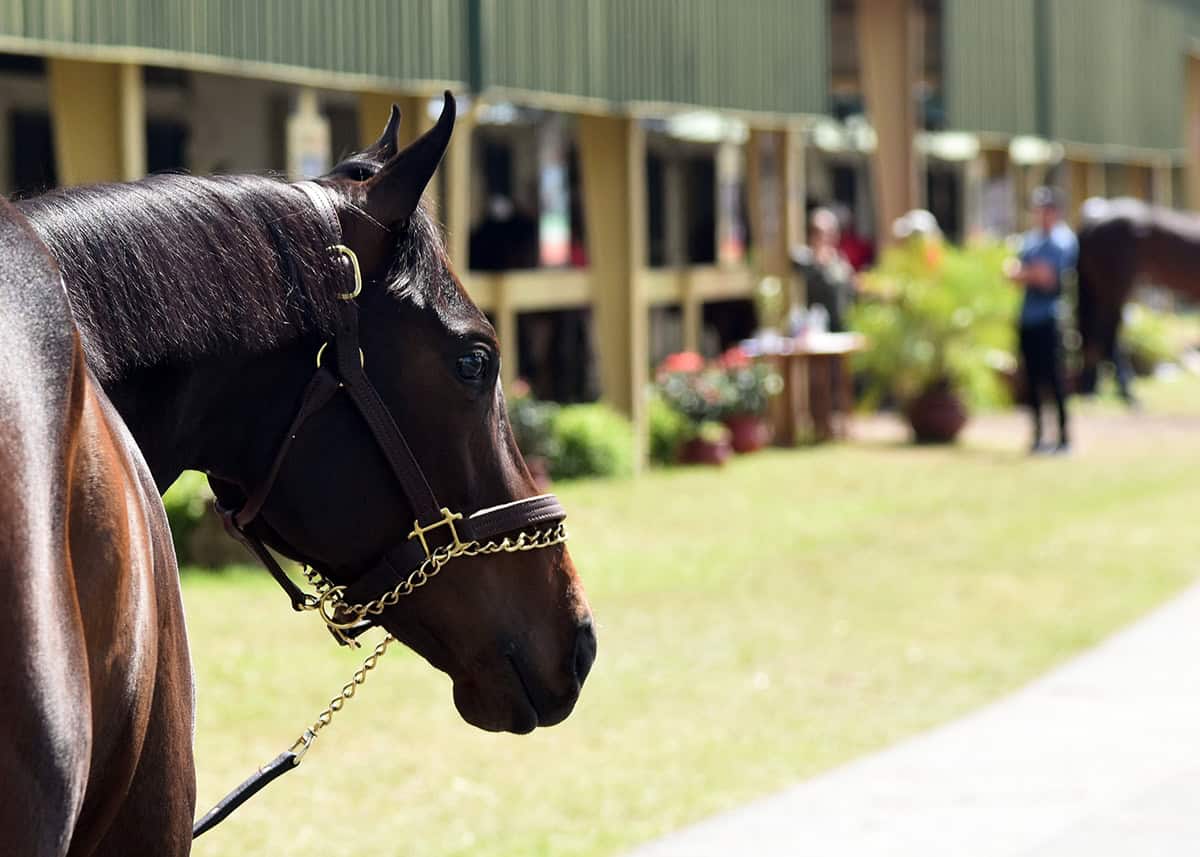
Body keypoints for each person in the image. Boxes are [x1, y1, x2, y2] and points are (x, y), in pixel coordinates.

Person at [1005, 186, 1077, 454]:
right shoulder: (1031, 241)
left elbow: (1047, 278)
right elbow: (1015, 273)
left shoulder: (1062, 240)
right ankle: (1038, 436)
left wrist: (1025, 273)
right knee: (1032, 379)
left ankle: (1063, 437)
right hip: (1028, 318)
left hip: (1051, 319)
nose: (1041, 215)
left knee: (1055, 379)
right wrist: (1028, 274)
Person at [793, 207, 857, 333]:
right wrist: (819, 262)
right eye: (819, 233)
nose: (825, 238)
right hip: (814, 332)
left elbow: (849, 288)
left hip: (841, 331)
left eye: (830, 232)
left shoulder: (840, 262)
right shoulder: (804, 259)